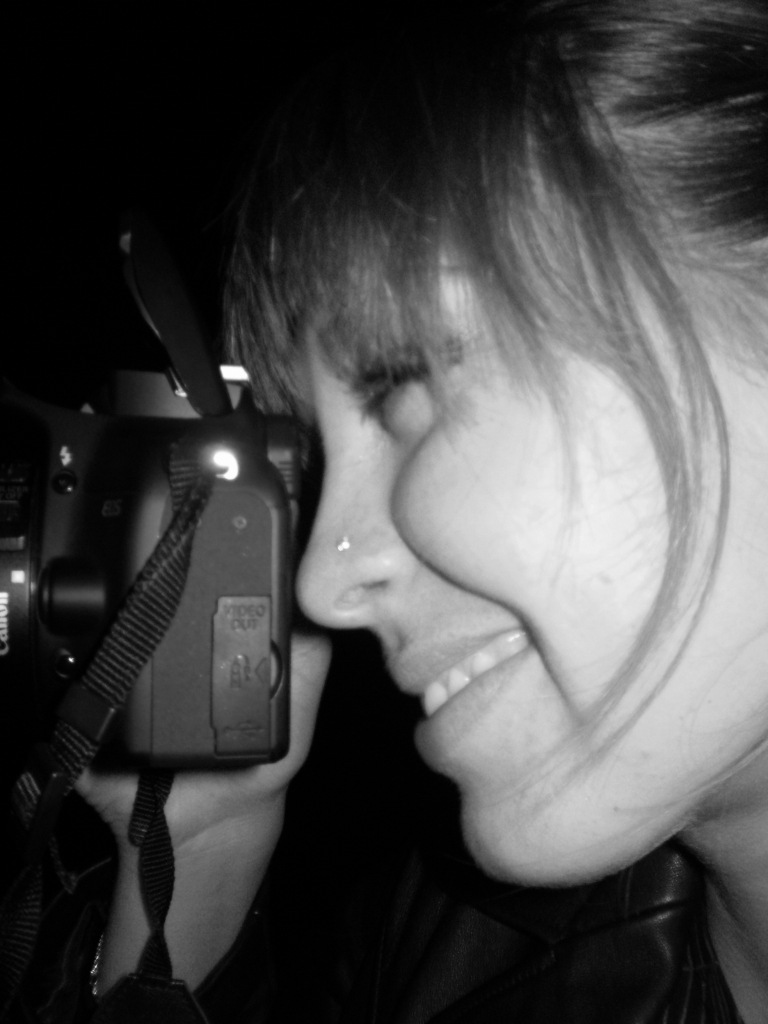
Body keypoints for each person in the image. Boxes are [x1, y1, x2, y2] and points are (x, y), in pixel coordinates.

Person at [9, 0, 768, 1020]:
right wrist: (206, 840)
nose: (321, 581)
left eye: (409, 391)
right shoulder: (442, 950)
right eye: (324, 458)